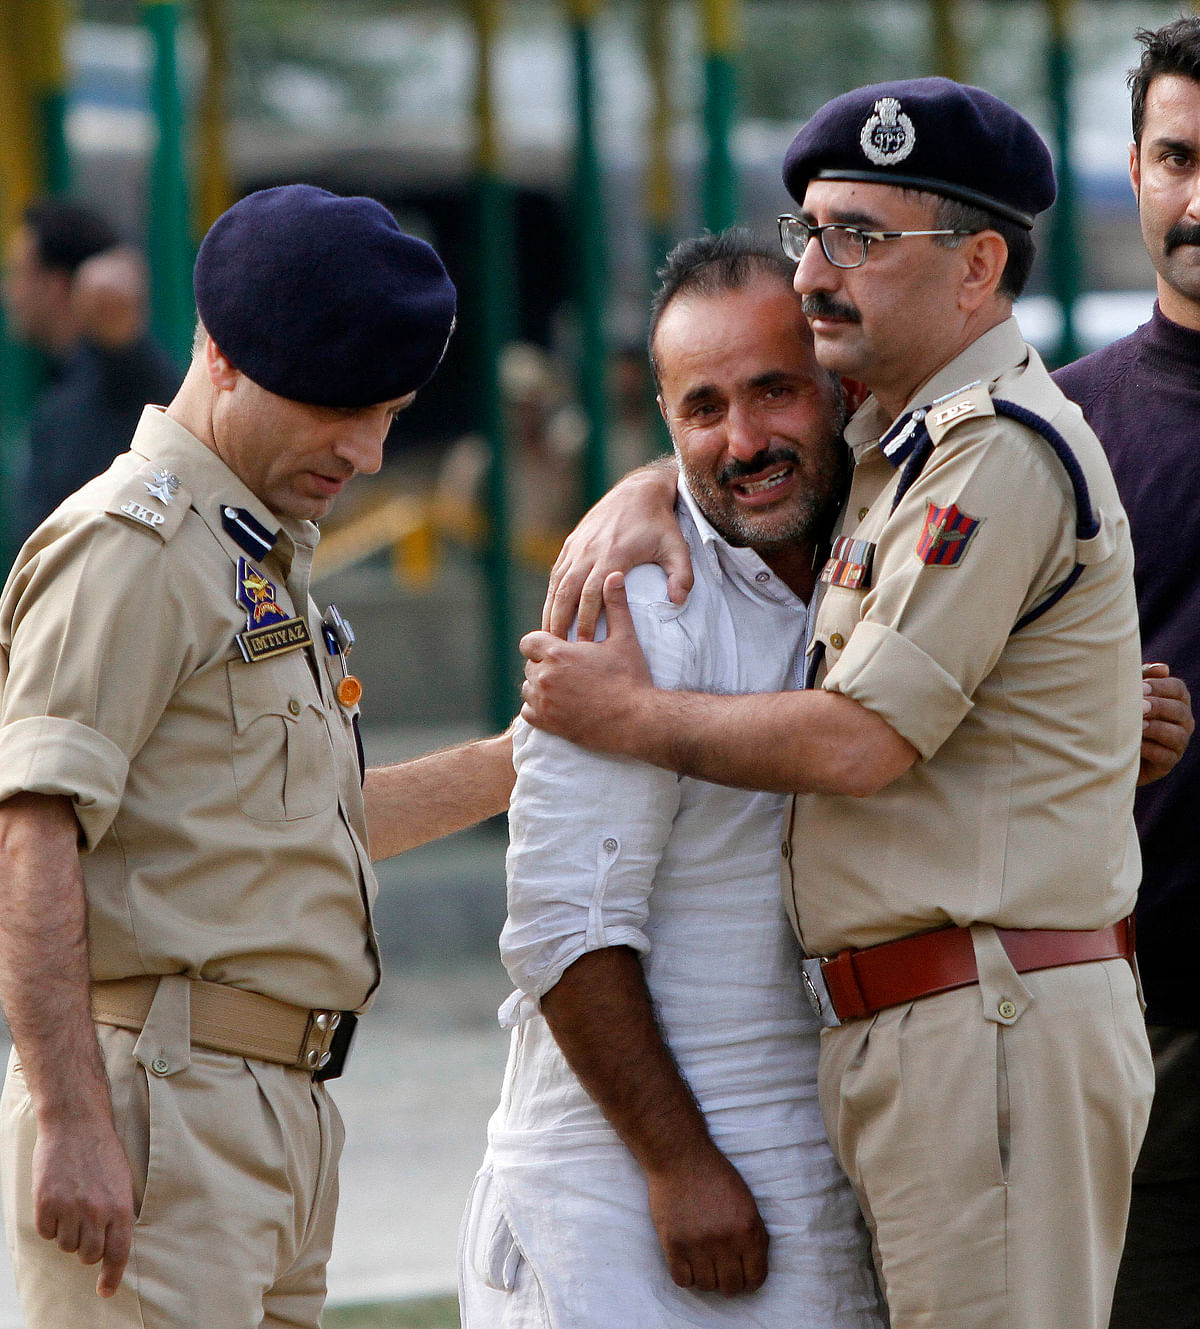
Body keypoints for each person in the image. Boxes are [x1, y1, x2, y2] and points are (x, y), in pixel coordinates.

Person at [518, 80, 1156, 1329]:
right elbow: (770, 451)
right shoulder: (899, 450)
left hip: (988, 1019)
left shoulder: (993, 450)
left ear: (978, 268)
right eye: (810, 230)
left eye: (860, 238)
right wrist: (652, 482)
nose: (814, 270)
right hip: (932, 1033)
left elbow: (862, 739)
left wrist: (629, 716)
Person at [0, 184, 516, 1329]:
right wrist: (77, 1119)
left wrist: (520, 761)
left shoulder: (250, 553)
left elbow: (292, 833)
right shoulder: (131, 546)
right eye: (339, 407)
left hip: (277, 1112)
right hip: (158, 1103)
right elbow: (30, 834)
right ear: (225, 357)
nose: (370, 452)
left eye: (389, 411)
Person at [459, 230, 885, 1329]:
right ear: (666, 420)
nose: (743, 440)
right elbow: (563, 926)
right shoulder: (641, 599)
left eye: (775, 392)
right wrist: (677, 1165)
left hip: (806, 1156)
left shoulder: (889, 560)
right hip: (622, 1200)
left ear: (840, 387)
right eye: (702, 410)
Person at [1051, 19, 1200, 1327]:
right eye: (1176, 158)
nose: (1199, 200)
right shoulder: (1053, 436)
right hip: (1151, 1026)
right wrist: (645, 492)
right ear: (1136, 167)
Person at [2, 198, 182, 543]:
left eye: (18, 274)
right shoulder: (62, 385)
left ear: (55, 285)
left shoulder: (126, 378)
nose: (9, 292)